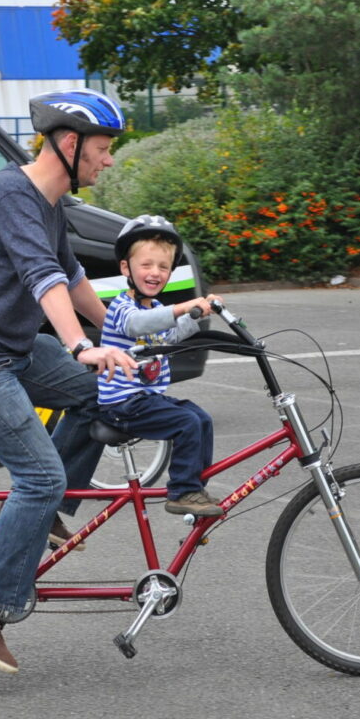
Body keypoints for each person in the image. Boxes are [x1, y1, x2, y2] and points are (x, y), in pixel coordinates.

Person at [0, 88, 137, 674]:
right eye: (103, 148)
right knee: (36, 477)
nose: (108, 160)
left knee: (103, 394)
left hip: (11, 351)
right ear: (70, 144)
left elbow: (70, 277)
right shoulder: (13, 194)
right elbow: (43, 280)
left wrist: (125, 330)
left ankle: (50, 507)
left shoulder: (48, 202)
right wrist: (80, 345)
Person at [98, 215, 223, 517]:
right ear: (126, 268)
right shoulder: (122, 307)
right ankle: (182, 491)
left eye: (163, 267)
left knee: (201, 418)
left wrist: (196, 315)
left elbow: (170, 335)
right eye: (147, 265)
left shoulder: (155, 308)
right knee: (186, 423)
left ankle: (195, 487)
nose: (155, 273)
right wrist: (180, 307)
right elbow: (138, 325)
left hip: (145, 399)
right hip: (122, 403)